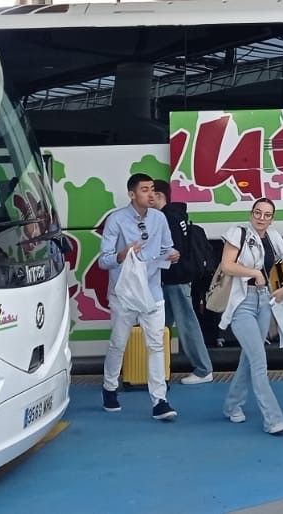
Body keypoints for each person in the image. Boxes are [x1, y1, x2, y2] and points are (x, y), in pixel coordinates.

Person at [99, 173, 181, 420]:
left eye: (153, 189)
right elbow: (104, 260)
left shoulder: (160, 218)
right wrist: (122, 255)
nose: (151, 194)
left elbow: (167, 246)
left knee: (156, 345)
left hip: (152, 291)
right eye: (145, 190)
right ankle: (110, 387)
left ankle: (160, 400)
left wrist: (172, 254)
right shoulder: (116, 220)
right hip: (124, 293)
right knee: (119, 343)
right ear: (132, 194)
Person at [218, 198, 283, 435]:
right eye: (258, 212)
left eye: (267, 214)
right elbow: (226, 265)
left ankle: (232, 405)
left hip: (264, 300)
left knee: (250, 358)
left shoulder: (274, 238)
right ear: (251, 213)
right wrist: (253, 272)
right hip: (241, 301)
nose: (261, 218)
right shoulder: (238, 233)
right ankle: (273, 419)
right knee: (259, 360)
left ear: (272, 218)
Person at [152, 180, 214, 385]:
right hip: (177, 278)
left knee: (186, 322)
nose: (147, 198)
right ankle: (155, 368)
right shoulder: (178, 216)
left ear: (159, 195)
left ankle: (203, 369)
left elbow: (171, 252)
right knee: (162, 325)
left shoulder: (166, 218)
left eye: (150, 192)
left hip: (174, 279)